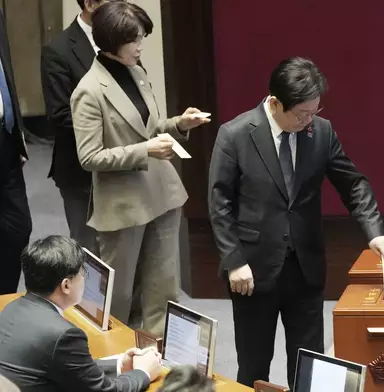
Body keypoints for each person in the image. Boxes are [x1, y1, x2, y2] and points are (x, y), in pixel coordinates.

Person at [208, 57, 384, 388]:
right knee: (253, 365)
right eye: (302, 114)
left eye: (314, 112)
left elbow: (352, 184)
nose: (310, 120)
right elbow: (220, 203)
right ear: (275, 103)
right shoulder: (235, 134)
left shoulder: (320, 132)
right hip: (252, 271)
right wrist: (234, 260)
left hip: (305, 267)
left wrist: (374, 232)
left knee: (311, 364)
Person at [71, 1, 210, 335]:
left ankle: (158, 356)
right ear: (111, 41)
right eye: (134, 40)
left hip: (161, 194)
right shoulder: (88, 92)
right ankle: (114, 359)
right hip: (123, 206)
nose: (140, 46)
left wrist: (178, 124)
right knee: (118, 295)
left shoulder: (137, 72)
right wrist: (144, 150)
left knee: (163, 288)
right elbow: (89, 157)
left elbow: (147, 128)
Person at [0, 235, 163, 392]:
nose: (84, 278)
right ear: (66, 286)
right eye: (82, 273)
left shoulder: (12, 308)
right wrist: (144, 372)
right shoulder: (64, 335)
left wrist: (119, 363)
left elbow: (69, 368)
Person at [41, 0, 124, 255]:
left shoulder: (122, 39)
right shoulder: (58, 51)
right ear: (90, 4)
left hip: (124, 167)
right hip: (82, 171)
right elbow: (61, 115)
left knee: (124, 251)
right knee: (89, 253)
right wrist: (116, 127)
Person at [0, 7, 32, 295]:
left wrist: (16, 131)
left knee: (18, 229)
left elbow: (6, 73)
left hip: (6, 140)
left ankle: (4, 302)